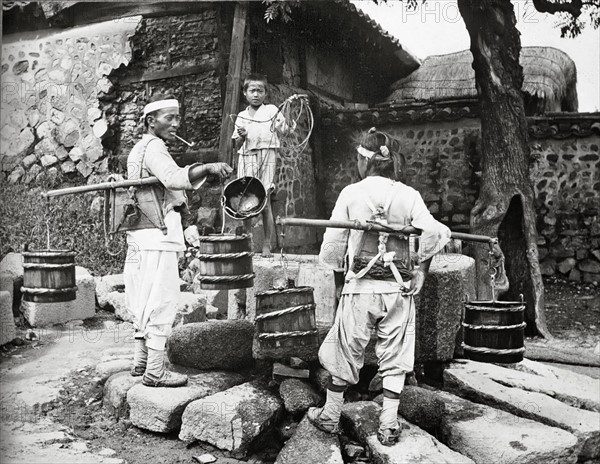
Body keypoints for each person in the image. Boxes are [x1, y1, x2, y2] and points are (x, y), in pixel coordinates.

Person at [308, 128, 451, 445]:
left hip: (360, 289)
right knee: (396, 353)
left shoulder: (351, 193)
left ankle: (331, 416)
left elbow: (332, 246)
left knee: (346, 349)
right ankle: (388, 423)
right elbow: (436, 233)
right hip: (398, 291)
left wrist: (339, 285)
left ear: (364, 160)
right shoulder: (408, 195)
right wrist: (421, 273)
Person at [124, 94, 233, 388]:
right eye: (169, 118)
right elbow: (172, 178)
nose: (175, 123)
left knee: (142, 296)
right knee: (161, 297)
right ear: (150, 121)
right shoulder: (155, 146)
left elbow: (169, 186)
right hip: (157, 235)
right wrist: (208, 167)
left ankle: (141, 361)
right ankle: (156, 371)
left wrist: (189, 214)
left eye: (177, 117)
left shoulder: (139, 149)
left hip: (139, 234)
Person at [231, 73, 294, 257]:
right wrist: (242, 135)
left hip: (268, 156)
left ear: (265, 93)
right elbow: (236, 144)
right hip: (247, 157)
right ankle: (248, 240)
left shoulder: (272, 111)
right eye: (252, 90)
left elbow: (287, 131)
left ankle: (267, 244)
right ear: (245, 93)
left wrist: (289, 119)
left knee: (264, 199)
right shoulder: (241, 116)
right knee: (245, 201)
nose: (256, 94)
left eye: (260, 90)